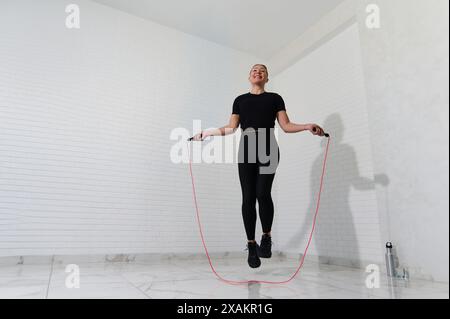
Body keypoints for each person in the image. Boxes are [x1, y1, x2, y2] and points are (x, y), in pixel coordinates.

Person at [192, 64, 325, 268]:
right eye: (254, 70)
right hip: (246, 147)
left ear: (267, 78)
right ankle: (251, 245)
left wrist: (307, 126)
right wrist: (208, 133)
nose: (258, 72)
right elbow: (231, 127)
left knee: (263, 193)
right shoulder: (240, 100)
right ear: (249, 76)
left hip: (268, 146)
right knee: (248, 197)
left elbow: (286, 126)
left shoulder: (274, 98)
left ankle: (266, 237)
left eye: (262, 70)